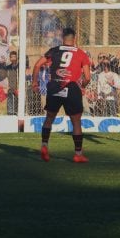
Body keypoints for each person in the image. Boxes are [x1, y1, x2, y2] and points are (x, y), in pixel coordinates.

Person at [31, 28, 91, 163]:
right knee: (76, 121)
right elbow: (87, 77)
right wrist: (82, 86)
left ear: (62, 38)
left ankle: (44, 145)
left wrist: (35, 83)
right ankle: (78, 154)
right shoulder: (81, 53)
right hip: (71, 88)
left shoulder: (54, 50)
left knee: (49, 118)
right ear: (74, 38)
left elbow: (37, 65)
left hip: (54, 87)